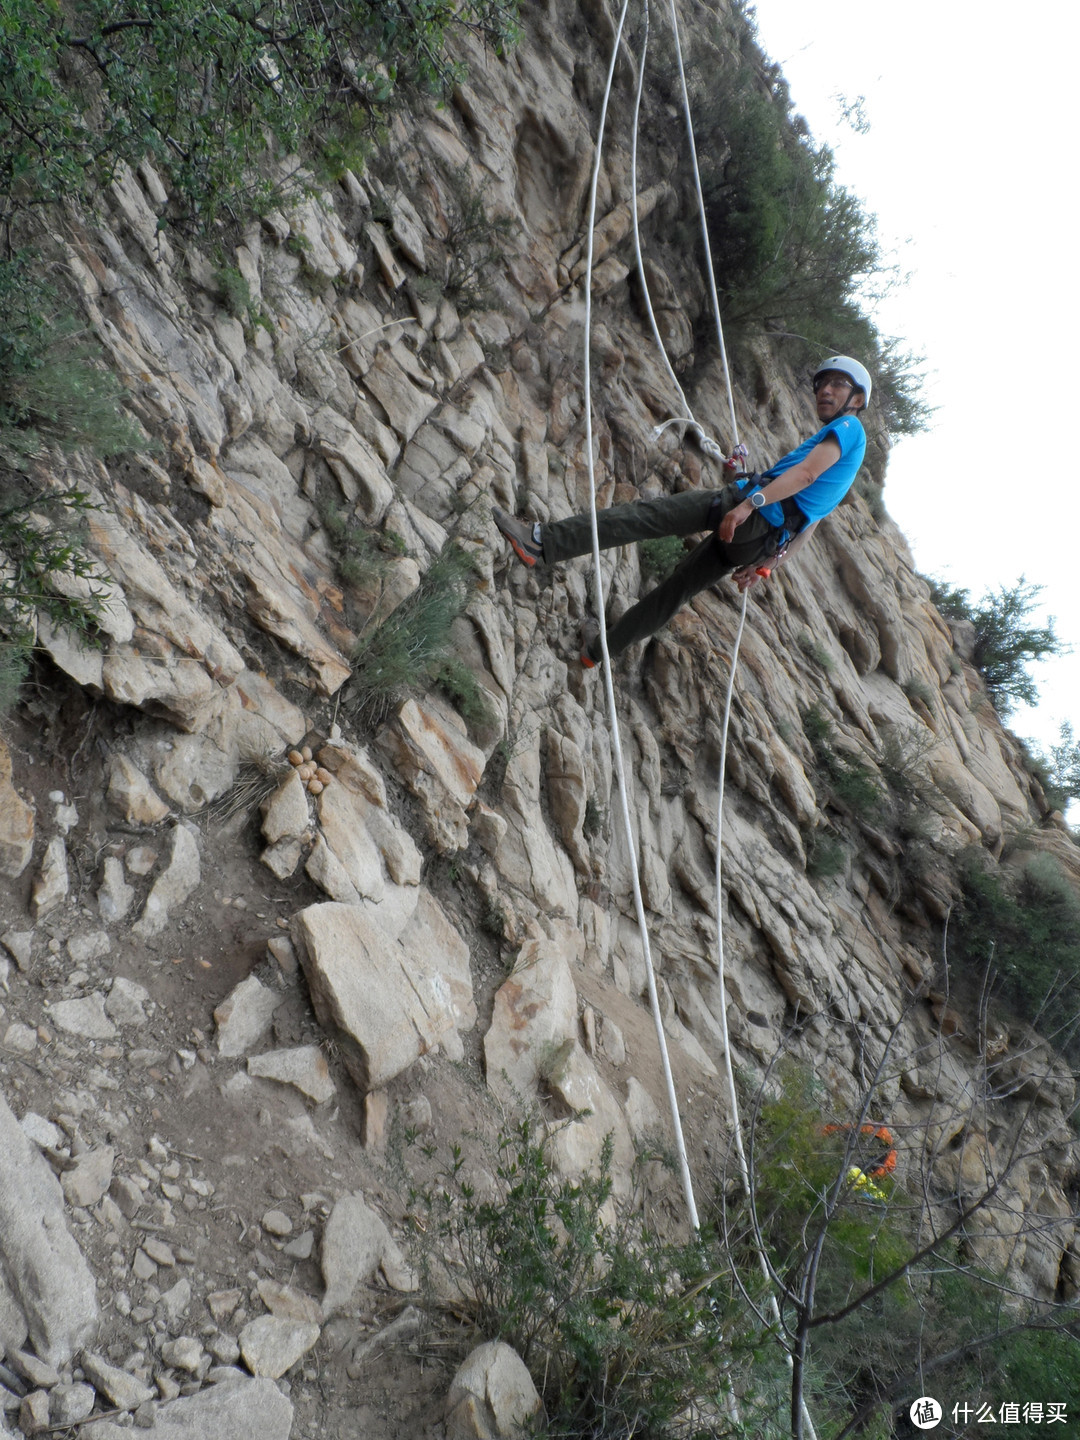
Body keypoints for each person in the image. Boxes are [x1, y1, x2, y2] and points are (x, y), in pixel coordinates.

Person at [493, 355, 870, 667]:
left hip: (749, 514)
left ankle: (542, 543)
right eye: (822, 383)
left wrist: (747, 505)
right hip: (758, 543)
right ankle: (597, 652)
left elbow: (803, 476)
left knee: (643, 517)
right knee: (673, 594)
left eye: (837, 384)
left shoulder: (849, 428)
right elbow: (810, 521)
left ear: (856, 398)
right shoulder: (846, 464)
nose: (825, 389)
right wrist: (768, 566)